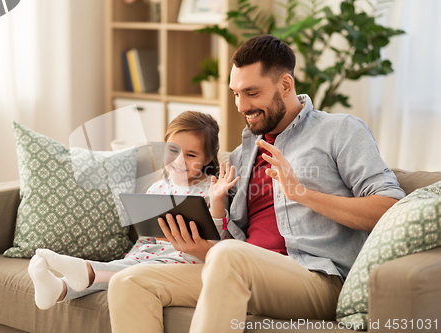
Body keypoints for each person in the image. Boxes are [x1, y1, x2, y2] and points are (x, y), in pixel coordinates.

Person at [107, 35, 406, 333]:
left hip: (317, 279)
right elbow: (227, 245)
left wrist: (301, 193)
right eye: (236, 94)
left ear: (285, 85)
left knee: (229, 256)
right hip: (238, 268)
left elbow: (390, 208)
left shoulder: (339, 131)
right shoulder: (241, 155)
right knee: (129, 281)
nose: (240, 106)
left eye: (251, 93)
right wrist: (201, 248)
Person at [27, 111, 239, 310]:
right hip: (150, 256)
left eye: (191, 155)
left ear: (209, 158)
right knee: (122, 267)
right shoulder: (156, 189)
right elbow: (146, 239)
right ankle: (59, 289)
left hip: (186, 262)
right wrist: (135, 254)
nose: (178, 161)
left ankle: (88, 270)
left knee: (127, 271)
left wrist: (217, 201)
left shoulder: (212, 189)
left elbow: (216, 245)